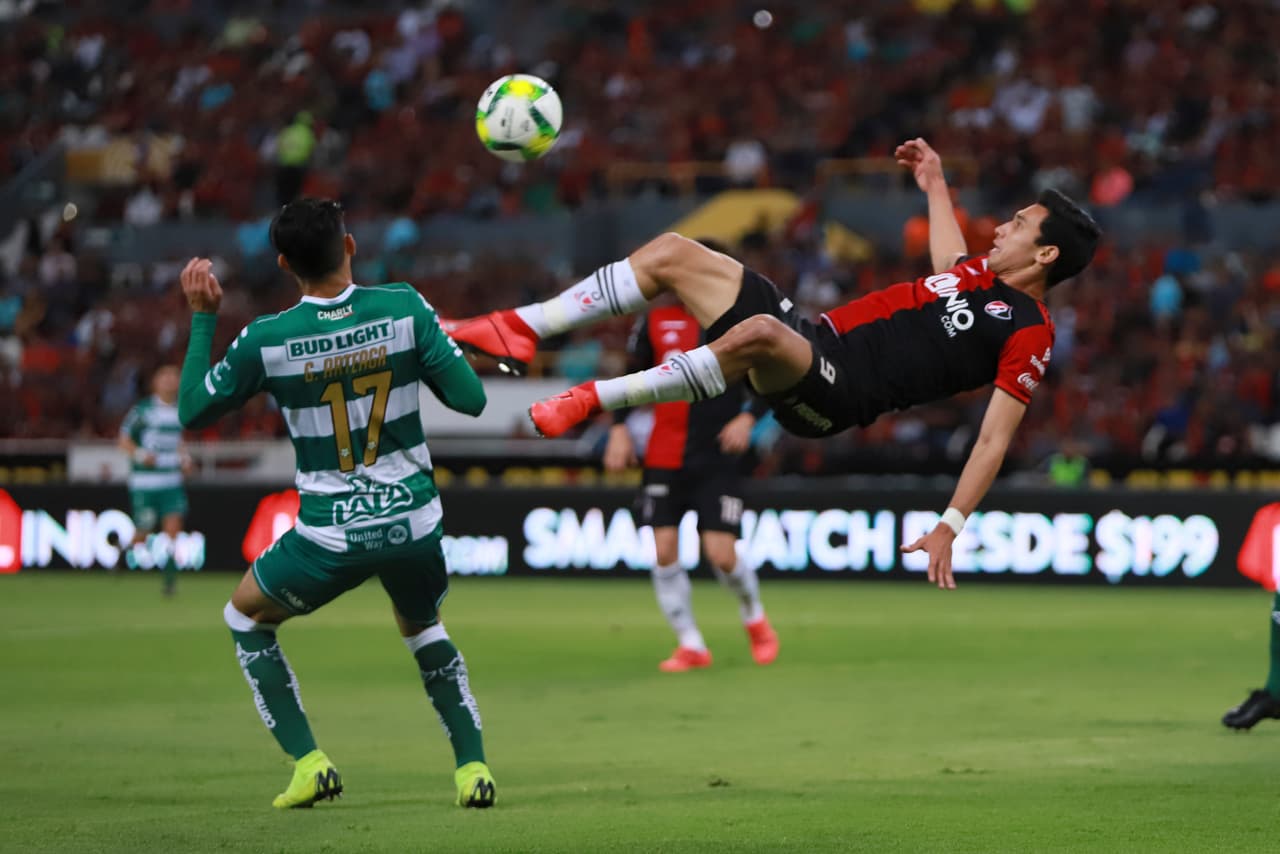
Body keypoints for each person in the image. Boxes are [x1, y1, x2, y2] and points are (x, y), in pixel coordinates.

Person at [445, 138, 1101, 590]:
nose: (1002, 228)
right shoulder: (978, 277)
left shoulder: (1028, 331)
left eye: (1018, 224)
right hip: (815, 340)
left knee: (758, 331)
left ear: (1045, 257)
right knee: (676, 251)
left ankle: (594, 397)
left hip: (837, 395)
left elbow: (994, 438)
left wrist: (949, 525)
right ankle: (522, 328)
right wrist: (935, 185)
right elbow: (947, 266)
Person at [176, 198, 496, 810]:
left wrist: (201, 318)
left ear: (282, 264)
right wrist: (430, 343)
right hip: (413, 521)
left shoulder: (268, 339)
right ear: (349, 246)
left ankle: (310, 763)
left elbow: (192, 410)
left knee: (246, 616)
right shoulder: (404, 307)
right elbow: (472, 400)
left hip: (330, 537)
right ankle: (472, 768)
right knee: (423, 625)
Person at [606, 297, 779, 672]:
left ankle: (754, 618)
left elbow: (771, 376)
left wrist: (749, 418)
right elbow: (632, 376)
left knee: (721, 554)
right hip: (663, 456)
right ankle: (691, 644)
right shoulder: (655, 320)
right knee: (664, 550)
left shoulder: (733, 321)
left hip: (717, 458)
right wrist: (619, 428)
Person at [118, 365, 191, 596]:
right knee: (144, 532)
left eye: (174, 376)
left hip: (171, 480)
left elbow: (178, 441)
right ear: (155, 382)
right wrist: (141, 455)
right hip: (145, 482)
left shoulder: (181, 410)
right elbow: (123, 440)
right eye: (165, 376)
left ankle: (169, 582)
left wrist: (185, 458)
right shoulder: (144, 410)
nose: (170, 380)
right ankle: (124, 554)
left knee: (173, 529)